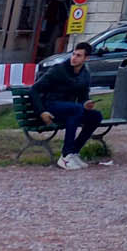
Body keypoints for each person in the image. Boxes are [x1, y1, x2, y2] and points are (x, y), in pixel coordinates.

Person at [31, 40, 106, 169]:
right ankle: (65, 155)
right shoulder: (58, 70)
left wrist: (86, 103)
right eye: (73, 54)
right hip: (51, 106)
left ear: (85, 58)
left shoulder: (85, 75)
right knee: (76, 109)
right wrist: (42, 111)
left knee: (96, 116)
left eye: (78, 56)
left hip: (70, 110)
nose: (74, 58)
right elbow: (34, 89)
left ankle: (73, 152)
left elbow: (83, 98)